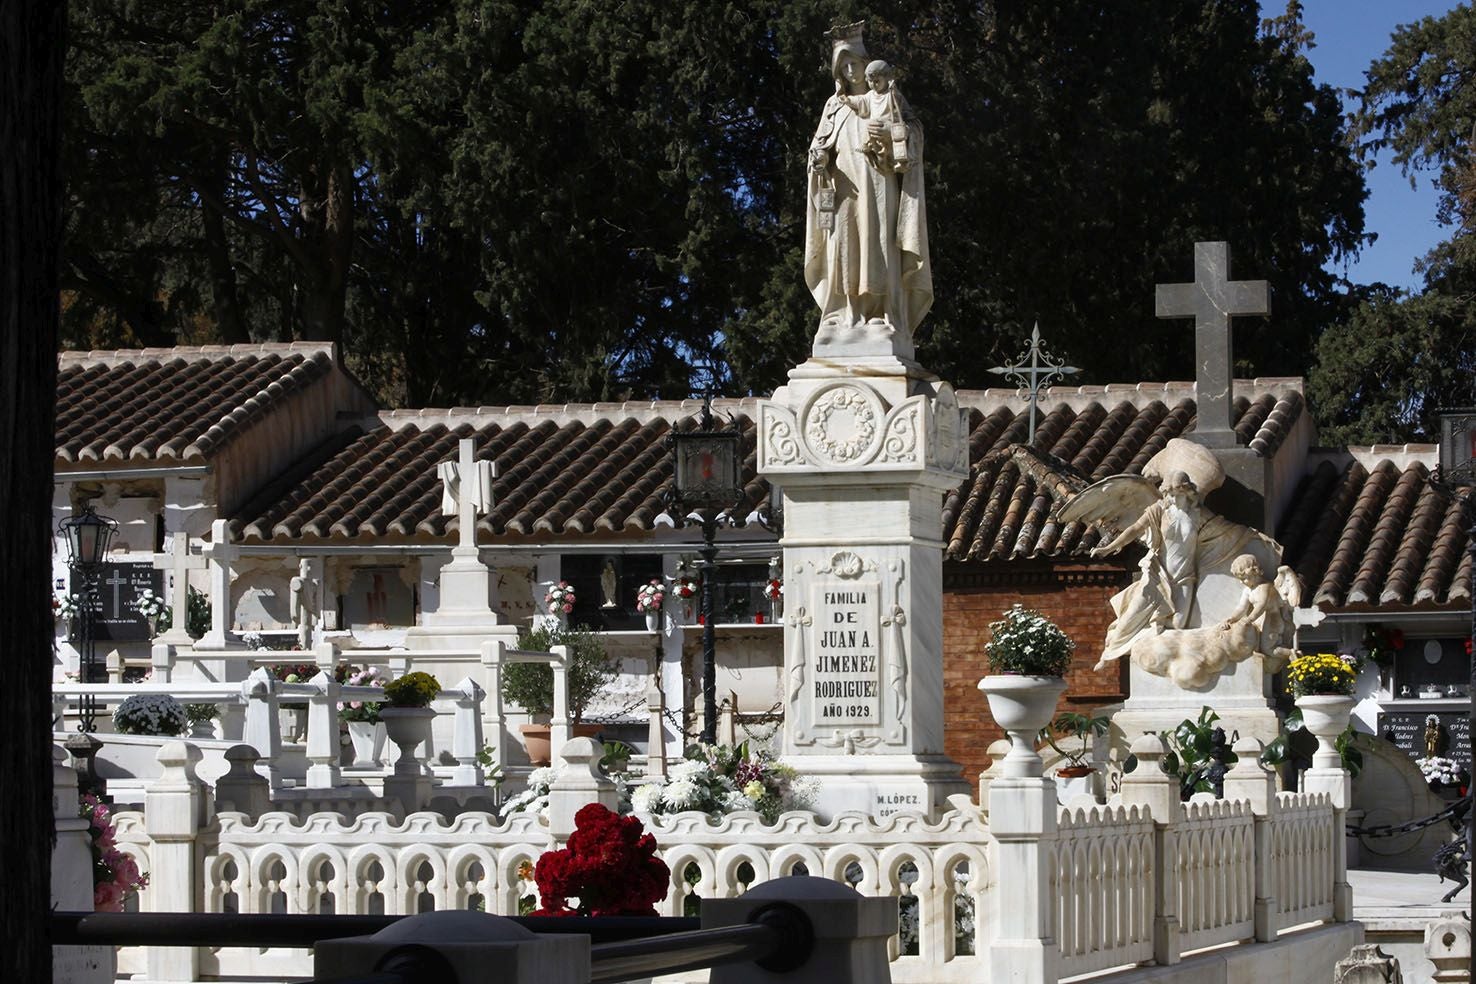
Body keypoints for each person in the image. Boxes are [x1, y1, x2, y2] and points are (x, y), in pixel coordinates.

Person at [804, 22, 931, 349]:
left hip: (879, 184)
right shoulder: (833, 107)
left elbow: (914, 133)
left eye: (855, 64)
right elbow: (818, 149)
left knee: (878, 245)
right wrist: (818, 161)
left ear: (866, 64)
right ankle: (846, 316)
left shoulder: (889, 99)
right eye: (844, 66)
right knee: (844, 248)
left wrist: (890, 135)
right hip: (844, 186)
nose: (851, 71)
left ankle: (882, 315)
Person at [1090, 471, 1259, 666]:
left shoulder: (1197, 514)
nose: (1172, 497)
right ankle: (1109, 653)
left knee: (1179, 624)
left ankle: (1149, 634)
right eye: (1169, 493)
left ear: (1187, 492)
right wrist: (1110, 547)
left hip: (1185, 576)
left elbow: (1225, 529)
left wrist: (1251, 536)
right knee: (1132, 614)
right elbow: (1135, 529)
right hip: (1158, 574)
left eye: (1177, 492)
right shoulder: (1159, 510)